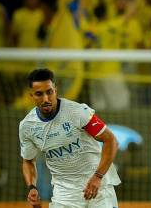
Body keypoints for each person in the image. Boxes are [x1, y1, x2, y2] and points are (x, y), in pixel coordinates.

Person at [19, 68, 120, 208]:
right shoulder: (27, 126)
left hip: (98, 188)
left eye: (49, 92)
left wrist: (98, 176)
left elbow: (111, 140)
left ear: (55, 90)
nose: (46, 99)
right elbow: (28, 160)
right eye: (39, 94)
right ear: (31, 95)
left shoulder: (77, 112)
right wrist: (32, 187)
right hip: (65, 196)